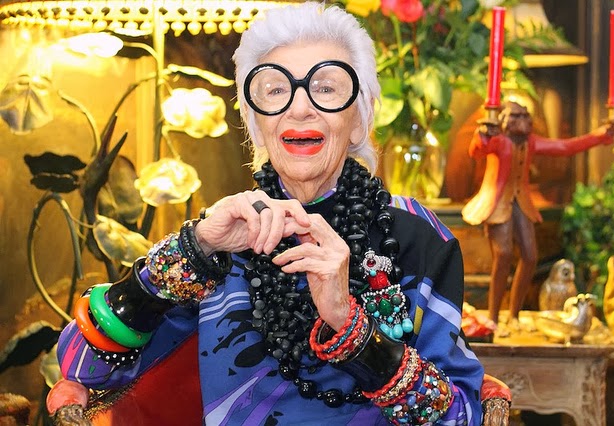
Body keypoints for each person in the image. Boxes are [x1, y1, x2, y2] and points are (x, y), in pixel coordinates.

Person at [54, 2, 485, 424]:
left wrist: (348, 323)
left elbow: (461, 416)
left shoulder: (414, 234)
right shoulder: (221, 238)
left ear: (360, 117)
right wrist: (192, 249)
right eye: (276, 90)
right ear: (255, 122)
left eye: (326, 88)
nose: (299, 108)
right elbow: (84, 367)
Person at [462, 101, 614, 331]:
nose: (523, 121)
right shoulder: (498, 140)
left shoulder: (531, 142)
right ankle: (494, 318)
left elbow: (565, 147)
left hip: (521, 203)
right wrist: (482, 135)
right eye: (516, 116)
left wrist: (601, 134)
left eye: (525, 116)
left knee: (530, 256)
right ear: (505, 120)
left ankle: (514, 315)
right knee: (503, 255)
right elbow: (476, 151)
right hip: (497, 204)